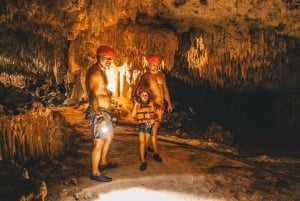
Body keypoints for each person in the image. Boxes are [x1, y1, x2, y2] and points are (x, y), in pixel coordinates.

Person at [85, 45, 117, 182]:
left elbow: (100, 90)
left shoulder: (101, 70)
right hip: (99, 112)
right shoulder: (95, 72)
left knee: (109, 135)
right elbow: (93, 95)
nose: (109, 61)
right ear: (98, 57)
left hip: (105, 111)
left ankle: (103, 162)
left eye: (111, 59)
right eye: (105, 58)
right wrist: (99, 115)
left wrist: (107, 94)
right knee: (98, 142)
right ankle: (95, 172)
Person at [135, 53, 173, 163]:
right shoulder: (145, 76)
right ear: (149, 65)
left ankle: (147, 148)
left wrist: (169, 103)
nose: (154, 67)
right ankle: (154, 151)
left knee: (154, 128)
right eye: (152, 65)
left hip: (161, 106)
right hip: (151, 106)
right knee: (151, 128)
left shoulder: (162, 75)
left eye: (156, 65)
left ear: (159, 65)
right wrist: (140, 104)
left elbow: (165, 90)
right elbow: (138, 90)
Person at [131, 86, 156, 171]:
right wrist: (135, 105)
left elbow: (153, 115)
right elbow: (133, 115)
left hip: (148, 124)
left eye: (146, 95)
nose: (145, 96)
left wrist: (152, 119)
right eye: (143, 95)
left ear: (148, 96)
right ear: (139, 96)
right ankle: (143, 161)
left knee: (145, 142)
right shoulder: (138, 105)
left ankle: (144, 152)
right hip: (141, 124)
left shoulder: (151, 104)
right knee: (142, 142)